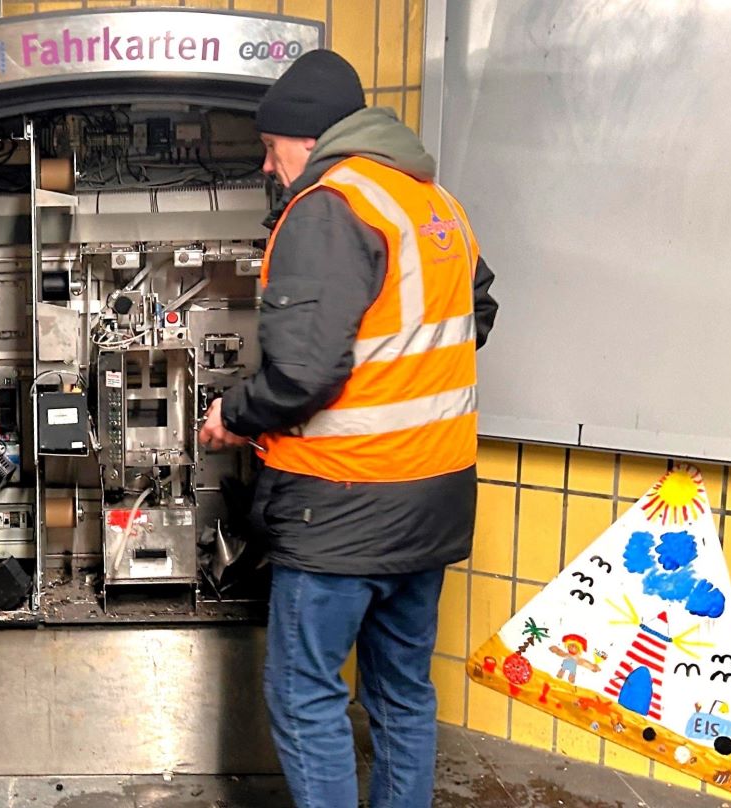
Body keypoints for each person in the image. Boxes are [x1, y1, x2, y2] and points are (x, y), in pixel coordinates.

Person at [198, 50, 499, 808]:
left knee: (306, 695)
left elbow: (303, 373)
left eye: (272, 149)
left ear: (310, 137)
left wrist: (233, 416)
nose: (271, 168)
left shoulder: (330, 205)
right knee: (401, 693)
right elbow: (476, 314)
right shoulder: (435, 204)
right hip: (433, 496)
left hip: (343, 505)